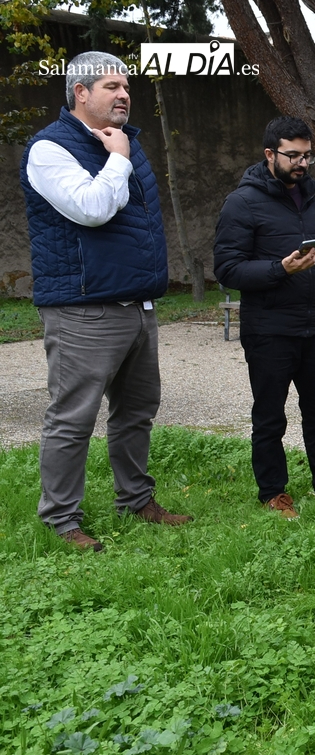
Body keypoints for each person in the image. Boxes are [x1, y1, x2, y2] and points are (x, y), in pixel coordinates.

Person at [20, 52, 192, 551]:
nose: (124, 95)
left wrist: (120, 152)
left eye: (126, 86)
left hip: (136, 304)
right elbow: (92, 210)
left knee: (137, 411)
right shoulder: (49, 149)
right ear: (80, 92)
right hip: (81, 306)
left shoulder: (126, 144)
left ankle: (136, 500)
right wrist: (116, 158)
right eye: (112, 86)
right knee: (73, 417)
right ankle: (60, 519)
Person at [213, 116, 315, 520]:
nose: (301, 163)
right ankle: (273, 493)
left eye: (307, 156)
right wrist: (280, 269)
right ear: (269, 154)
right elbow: (227, 269)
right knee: (269, 416)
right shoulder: (242, 203)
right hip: (269, 331)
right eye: (292, 155)